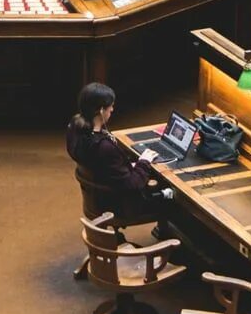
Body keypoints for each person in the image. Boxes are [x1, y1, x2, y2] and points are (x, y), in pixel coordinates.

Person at [65, 82, 172, 219]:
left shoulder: (75, 128)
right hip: (120, 206)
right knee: (174, 198)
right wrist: (144, 162)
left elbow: (107, 167)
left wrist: (128, 166)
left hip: (97, 198)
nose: (112, 110)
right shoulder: (103, 148)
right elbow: (132, 185)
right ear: (101, 111)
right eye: (111, 107)